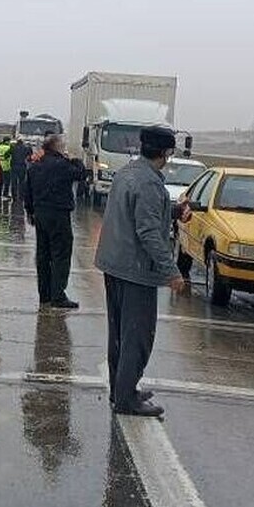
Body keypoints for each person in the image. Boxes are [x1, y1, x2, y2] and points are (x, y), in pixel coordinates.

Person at [94, 124, 190, 418]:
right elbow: (148, 231)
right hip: (135, 270)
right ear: (167, 152)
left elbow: (139, 212)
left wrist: (174, 211)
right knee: (137, 337)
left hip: (114, 264)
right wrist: (172, 271)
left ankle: (121, 389)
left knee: (119, 335)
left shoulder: (127, 173)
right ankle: (126, 399)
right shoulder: (149, 183)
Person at [24, 134, 87, 309]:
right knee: (60, 254)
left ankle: (44, 295)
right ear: (57, 147)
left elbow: (27, 191)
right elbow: (81, 174)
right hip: (58, 214)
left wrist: (30, 211)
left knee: (43, 255)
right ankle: (58, 295)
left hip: (40, 214)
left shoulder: (35, 166)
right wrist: (75, 159)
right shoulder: (62, 165)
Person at [10, 138, 32, 203]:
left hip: (14, 166)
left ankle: (14, 197)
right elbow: (30, 157)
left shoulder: (13, 148)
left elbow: (7, 155)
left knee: (14, 182)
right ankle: (21, 197)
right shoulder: (25, 148)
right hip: (22, 166)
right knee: (22, 182)